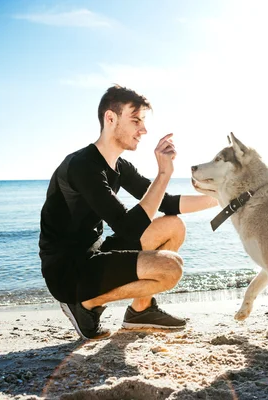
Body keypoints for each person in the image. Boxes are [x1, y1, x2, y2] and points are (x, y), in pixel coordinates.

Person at [39, 85, 218, 340]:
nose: (143, 130)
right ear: (110, 119)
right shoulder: (82, 166)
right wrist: (164, 174)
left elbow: (166, 203)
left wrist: (221, 198)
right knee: (170, 268)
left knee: (173, 226)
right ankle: (83, 305)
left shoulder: (119, 165)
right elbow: (127, 227)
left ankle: (140, 310)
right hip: (68, 272)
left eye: (143, 122)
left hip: (95, 255)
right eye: (135, 121)